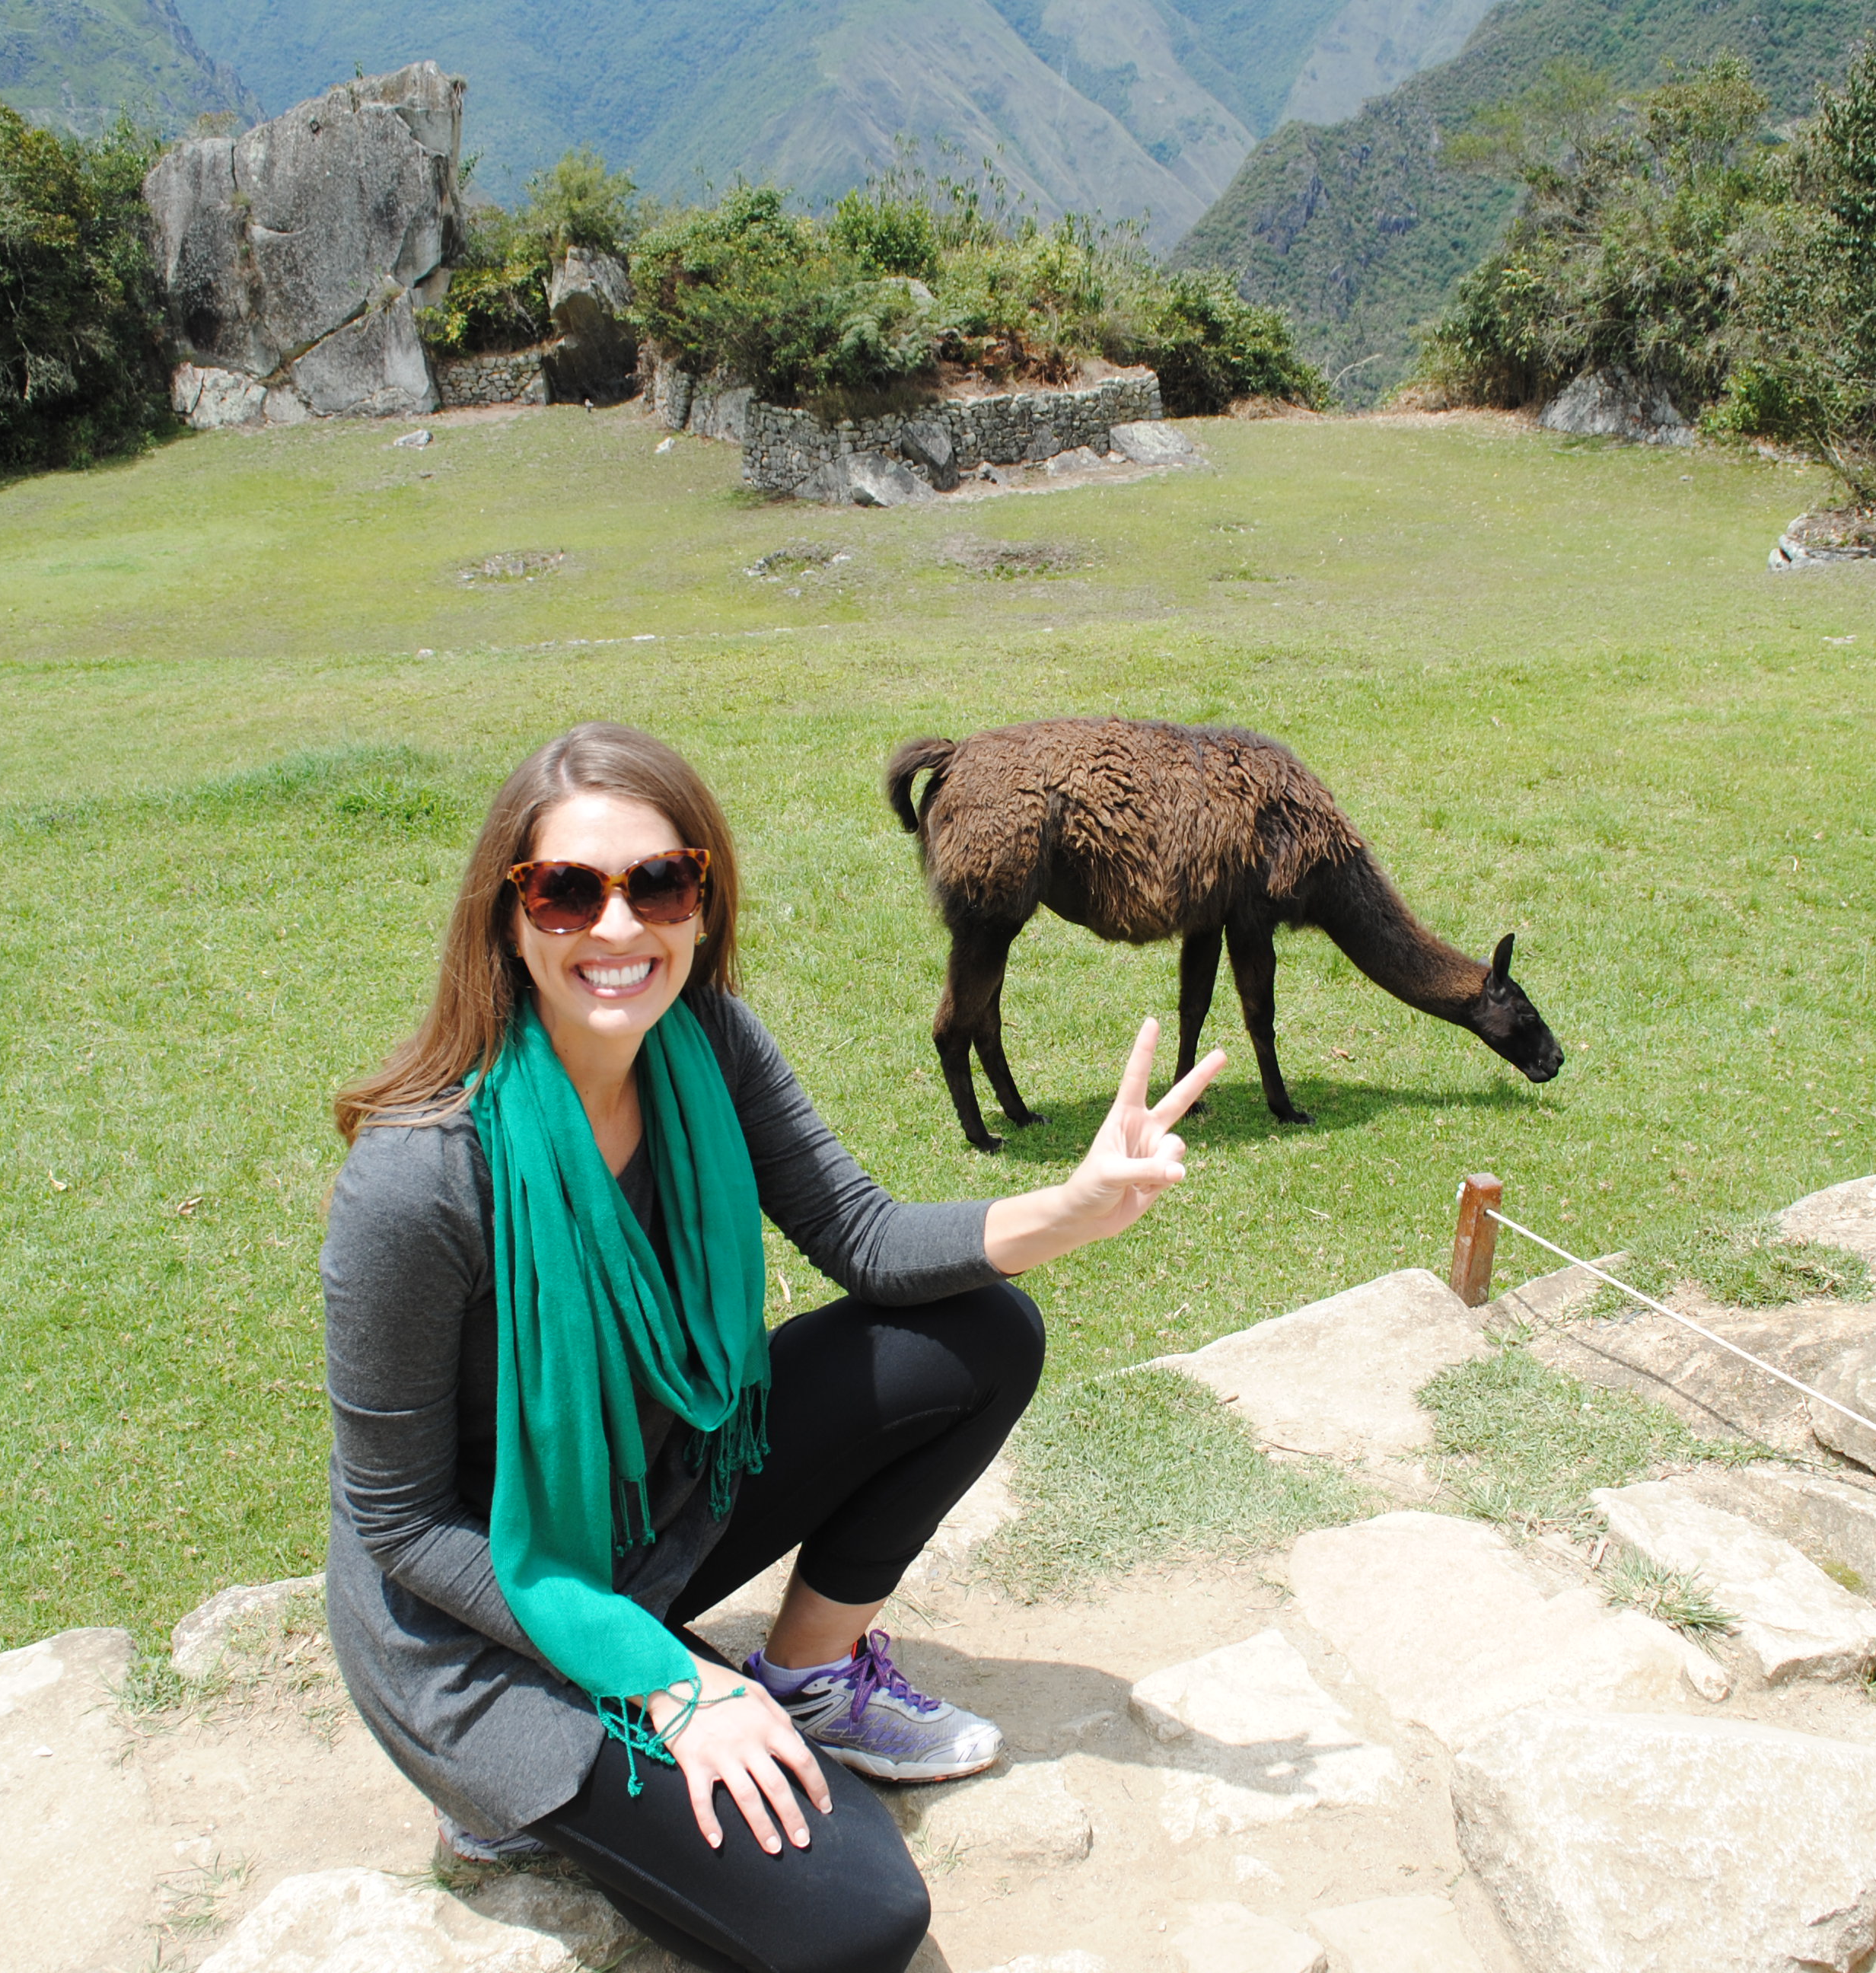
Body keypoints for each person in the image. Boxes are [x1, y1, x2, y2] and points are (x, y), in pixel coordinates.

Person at [321, 722, 1226, 1973]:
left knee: (979, 1330)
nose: (619, 927)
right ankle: (505, 1790)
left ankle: (804, 1674)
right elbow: (400, 1522)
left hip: (650, 1502)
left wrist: (1068, 1209)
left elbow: (862, 1234)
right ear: (508, 916)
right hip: (483, 1609)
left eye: (660, 883)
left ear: (702, 902)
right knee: (858, 1915)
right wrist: (672, 1683)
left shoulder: (710, 1049)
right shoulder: (419, 1181)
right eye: (568, 889)